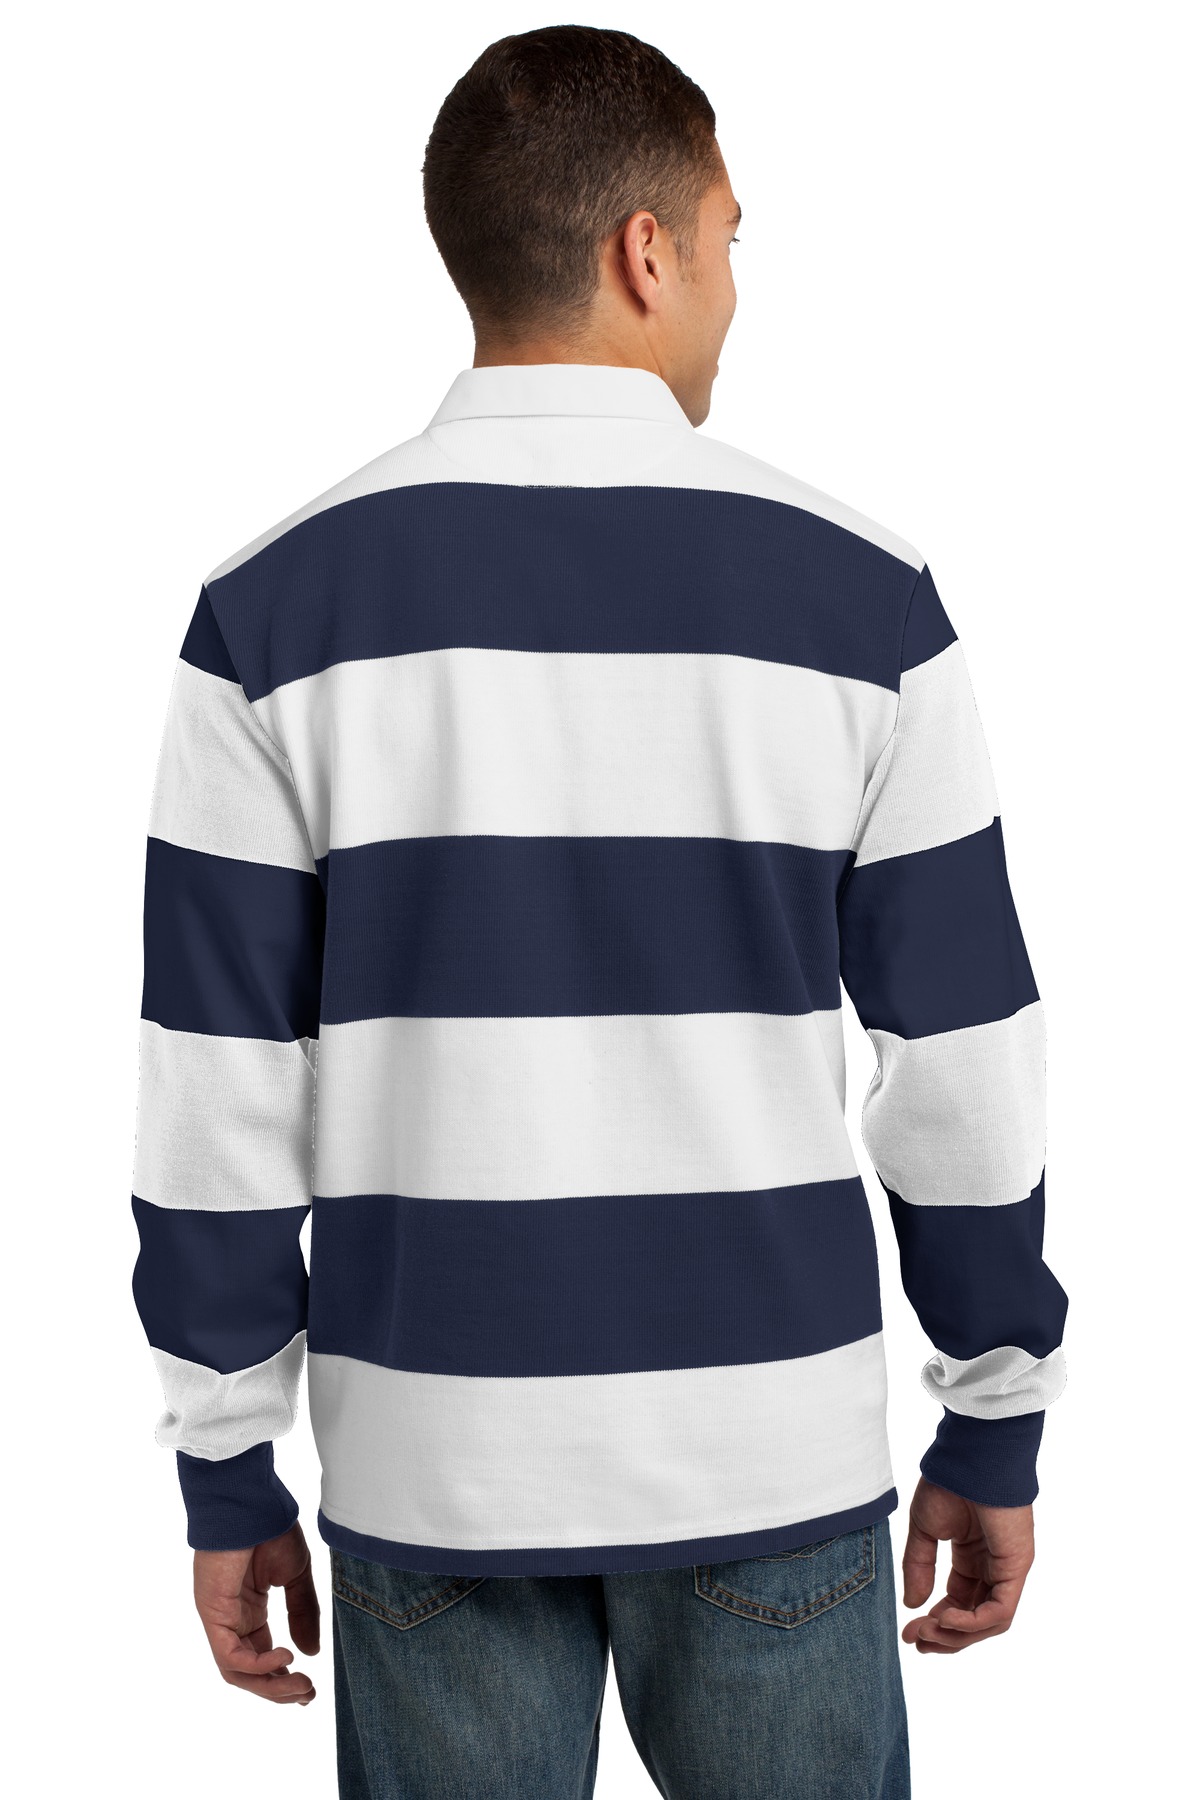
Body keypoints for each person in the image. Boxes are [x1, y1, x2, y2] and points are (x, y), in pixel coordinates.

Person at [130, 24, 1069, 1798]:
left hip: (434, 1469)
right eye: (729, 237)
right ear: (650, 250)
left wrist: (225, 1463)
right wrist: (995, 1409)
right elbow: (964, 1067)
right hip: (767, 1457)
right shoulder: (863, 602)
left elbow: (216, 1094)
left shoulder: (271, 614)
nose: (733, 286)